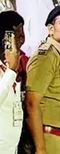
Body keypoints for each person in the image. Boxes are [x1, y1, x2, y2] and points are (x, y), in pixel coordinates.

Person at [25, 4, 60, 154]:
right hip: (49, 139)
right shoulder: (45, 57)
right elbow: (32, 103)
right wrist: (40, 148)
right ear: (51, 29)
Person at [0, 10, 24, 152]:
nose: (22, 40)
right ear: (6, 40)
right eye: (17, 35)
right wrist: (11, 72)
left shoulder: (10, 67)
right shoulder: (10, 71)